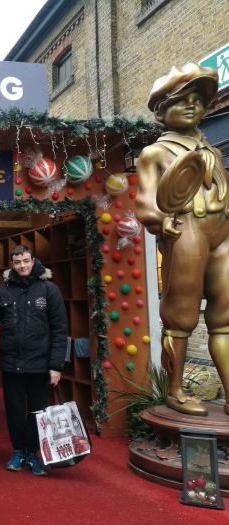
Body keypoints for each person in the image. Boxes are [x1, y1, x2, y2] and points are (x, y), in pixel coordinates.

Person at [135, 63, 229, 416]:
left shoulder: (215, 153)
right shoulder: (155, 154)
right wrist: (161, 220)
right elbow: (144, 203)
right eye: (181, 100)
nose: (192, 106)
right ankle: (174, 391)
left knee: (224, 315)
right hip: (186, 230)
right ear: (162, 111)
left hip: (221, 234)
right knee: (181, 315)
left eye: (198, 100)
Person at [0, 245, 67, 476]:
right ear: (12, 265)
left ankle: (32, 453)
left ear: (33, 261)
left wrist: (56, 365)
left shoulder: (49, 289)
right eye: (17, 262)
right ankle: (17, 451)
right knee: (14, 410)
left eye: (26, 261)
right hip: (11, 363)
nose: (22, 265)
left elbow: (59, 328)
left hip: (39, 365)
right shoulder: (3, 291)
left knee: (37, 412)